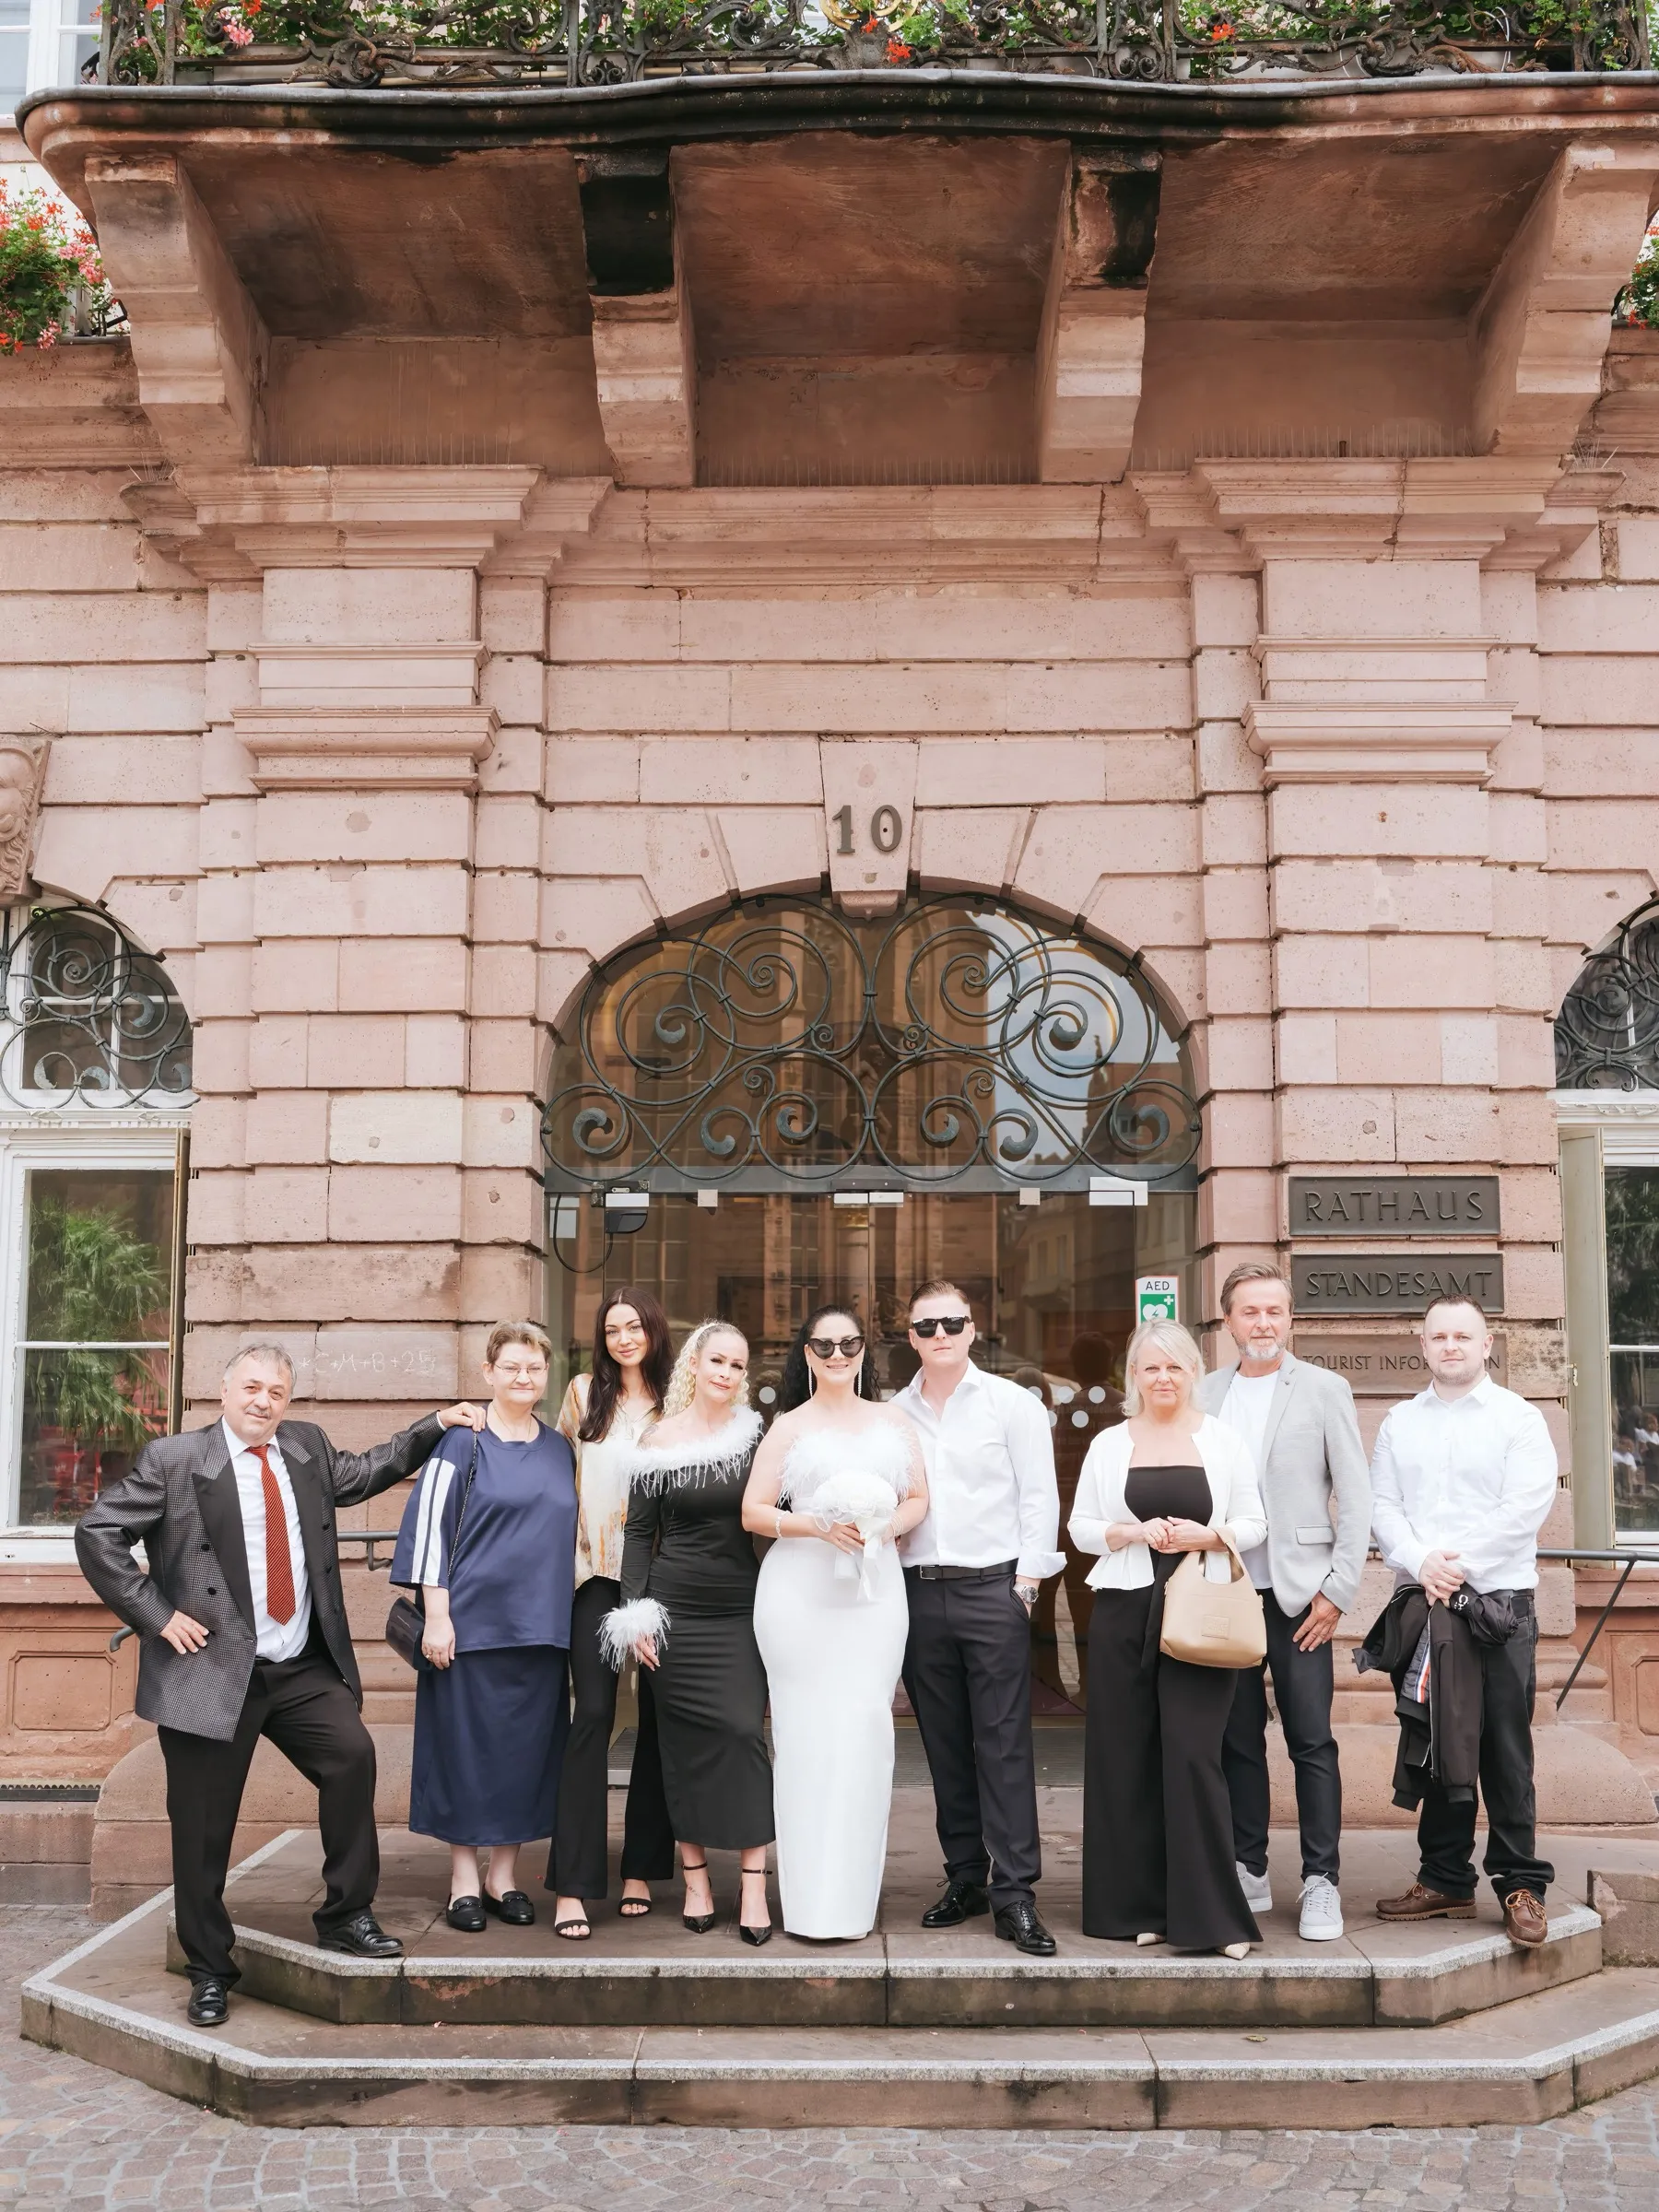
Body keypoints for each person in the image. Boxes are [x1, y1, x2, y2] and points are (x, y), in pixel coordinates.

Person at [74, 1342, 480, 2028]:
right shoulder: (176, 1460)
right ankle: (209, 1968)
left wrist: (437, 1423)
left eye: (277, 1393)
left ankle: (346, 1915)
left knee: (352, 1759)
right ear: (224, 1390)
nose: (264, 1402)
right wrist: (155, 1614)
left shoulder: (304, 1447)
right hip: (210, 1669)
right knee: (202, 1828)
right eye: (253, 1388)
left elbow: (367, 1470)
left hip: (298, 1664)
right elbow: (99, 1532)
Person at [1069, 1320, 1266, 1957]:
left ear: (1191, 1374)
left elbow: (1254, 1522)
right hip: (1126, 1608)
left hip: (1198, 1610)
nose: (1162, 1379)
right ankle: (1135, 1911)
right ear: (1133, 1376)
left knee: (1193, 1756)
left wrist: (1203, 1537)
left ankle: (1213, 1921)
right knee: (1124, 1759)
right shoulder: (1108, 1443)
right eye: (1149, 1368)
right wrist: (1132, 1532)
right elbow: (1080, 1528)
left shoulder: (1222, 1440)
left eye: (1174, 1367)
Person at [1370, 1298, 1559, 1949]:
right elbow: (1383, 1506)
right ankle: (1445, 1878)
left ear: (1487, 1346)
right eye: (1439, 1335)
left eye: (1464, 1336)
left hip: (1499, 1606)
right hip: (1426, 1603)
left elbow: (1525, 1507)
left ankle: (1521, 1884)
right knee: (1437, 1742)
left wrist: (1458, 1567)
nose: (1451, 1346)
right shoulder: (1400, 1422)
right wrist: (1423, 1561)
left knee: (1504, 1749)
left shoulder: (1519, 1419)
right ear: (1422, 1345)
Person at [1198, 1262, 1371, 1942]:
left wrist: (1339, 1590)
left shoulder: (1325, 1390)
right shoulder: (1205, 1393)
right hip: (1228, 1590)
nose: (1262, 1323)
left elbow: (1355, 1498)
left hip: (1304, 1596)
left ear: (1289, 1317)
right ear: (1228, 1321)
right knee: (1237, 1739)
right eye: (1249, 1312)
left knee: (1310, 1740)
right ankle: (1248, 1867)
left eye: (1274, 1311)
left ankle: (1321, 1881)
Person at [744, 1306, 929, 1939]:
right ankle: (808, 1905)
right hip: (800, 1593)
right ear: (806, 1353)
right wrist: (816, 1525)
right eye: (823, 1344)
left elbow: (919, 1499)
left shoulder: (893, 1420)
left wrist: (884, 1527)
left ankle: (850, 1901)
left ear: (862, 1353)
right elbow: (753, 1510)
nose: (836, 1354)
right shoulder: (788, 1427)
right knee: (802, 1739)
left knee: (864, 1732)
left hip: (873, 1595)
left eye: (848, 1343)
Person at [892, 1279, 1065, 1959]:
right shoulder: (892, 1413)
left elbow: (1039, 1497)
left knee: (1003, 1746)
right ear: (910, 1337)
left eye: (951, 1323)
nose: (940, 1335)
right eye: (926, 1326)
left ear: (973, 1328)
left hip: (993, 1590)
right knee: (943, 1745)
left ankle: (1015, 1893)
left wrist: (1024, 1588)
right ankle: (964, 1876)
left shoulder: (1011, 1404)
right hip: (918, 1592)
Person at [392, 1321, 578, 1933]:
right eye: (512, 1367)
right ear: (489, 1374)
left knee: (524, 1758)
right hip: (470, 1628)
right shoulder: (460, 1446)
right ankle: (464, 1882)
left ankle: (504, 1877)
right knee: (464, 1755)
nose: (524, 1378)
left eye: (534, 1368)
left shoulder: (559, 1449)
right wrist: (437, 1618)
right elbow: (426, 1535)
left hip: (543, 1629)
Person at [603, 1321, 775, 1943]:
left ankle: (753, 1883)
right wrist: (634, 1614)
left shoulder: (754, 1436)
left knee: (742, 1736)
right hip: (673, 1613)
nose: (727, 1373)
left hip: (739, 1610)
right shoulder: (657, 1440)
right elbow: (637, 1534)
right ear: (695, 1366)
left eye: (737, 1364)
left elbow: (771, 1520)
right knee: (681, 1748)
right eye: (718, 1361)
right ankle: (697, 1880)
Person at [546, 1287, 677, 1940]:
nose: (623, 1337)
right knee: (591, 1716)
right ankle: (573, 1882)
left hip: (661, 1581)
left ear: (653, 1329)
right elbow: (558, 1476)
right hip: (593, 1575)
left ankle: (640, 1870)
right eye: (612, 1328)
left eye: (634, 1326)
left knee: (657, 1719)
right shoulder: (581, 1395)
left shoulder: (679, 1399)